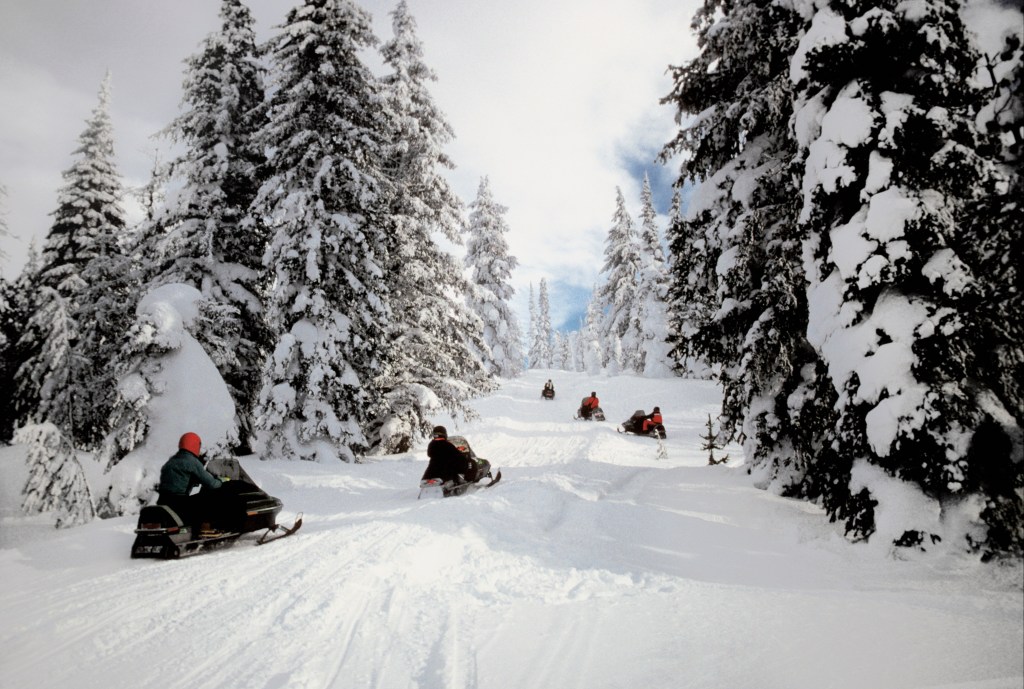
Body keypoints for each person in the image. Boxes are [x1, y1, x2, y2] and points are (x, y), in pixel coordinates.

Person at [157, 432, 224, 534]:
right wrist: (220, 481)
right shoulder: (192, 461)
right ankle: (206, 528)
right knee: (207, 499)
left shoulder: (172, 461)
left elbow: (179, 478)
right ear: (195, 445)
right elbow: (211, 484)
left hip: (163, 500)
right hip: (179, 502)